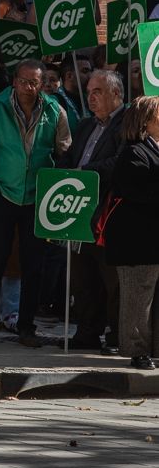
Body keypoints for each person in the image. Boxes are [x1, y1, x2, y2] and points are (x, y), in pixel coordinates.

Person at [0, 58, 71, 346]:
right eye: (24, 81)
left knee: (33, 265)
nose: (29, 87)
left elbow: (64, 151)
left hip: (36, 198)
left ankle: (26, 326)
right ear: (14, 81)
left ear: (42, 83)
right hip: (1, 194)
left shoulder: (55, 110)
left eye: (35, 82)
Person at [62, 69, 126, 352]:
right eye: (88, 93)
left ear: (116, 94)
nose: (90, 98)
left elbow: (119, 163)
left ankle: (115, 335)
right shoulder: (86, 126)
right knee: (82, 276)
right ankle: (87, 331)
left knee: (111, 280)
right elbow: (70, 157)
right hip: (80, 213)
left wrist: (84, 173)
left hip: (109, 212)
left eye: (97, 92)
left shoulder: (128, 124)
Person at [105, 96, 159, 369]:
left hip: (152, 240)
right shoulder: (134, 153)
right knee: (137, 298)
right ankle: (137, 350)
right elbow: (140, 192)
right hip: (137, 241)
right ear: (146, 121)